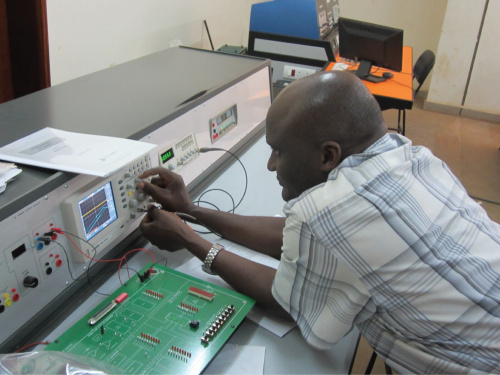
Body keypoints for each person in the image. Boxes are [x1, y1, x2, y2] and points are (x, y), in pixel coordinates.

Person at [138, 71, 500, 374]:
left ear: (328, 155)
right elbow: (296, 237)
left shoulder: (329, 211)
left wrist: (188, 238)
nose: (270, 166)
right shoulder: (413, 156)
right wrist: (192, 211)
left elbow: (285, 299)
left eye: (279, 151)